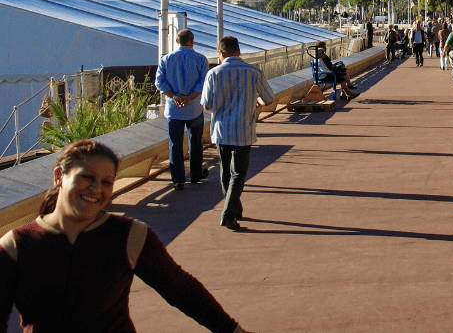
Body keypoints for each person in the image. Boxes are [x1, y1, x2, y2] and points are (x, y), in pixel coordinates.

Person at [0, 140, 251, 332]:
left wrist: (232, 329)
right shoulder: (17, 245)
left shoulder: (129, 235)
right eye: (87, 177)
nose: (96, 189)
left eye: (107, 182)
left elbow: (181, 289)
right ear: (59, 177)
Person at [201, 36, 275, 232]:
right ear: (239, 51)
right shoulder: (253, 72)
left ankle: (233, 208)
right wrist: (255, 103)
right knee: (238, 173)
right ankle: (229, 213)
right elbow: (269, 98)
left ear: (221, 53)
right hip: (243, 129)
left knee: (226, 172)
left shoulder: (213, 74)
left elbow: (206, 105)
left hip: (221, 130)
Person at [154, 28, 210, 191]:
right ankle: (195, 174)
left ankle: (178, 179)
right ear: (192, 40)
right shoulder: (200, 59)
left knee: (175, 144)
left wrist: (175, 96)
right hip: (194, 107)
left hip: (174, 109)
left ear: (177, 41)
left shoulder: (166, 59)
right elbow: (204, 82)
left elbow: (160, 82)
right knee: (195, 142)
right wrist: (190, 97)